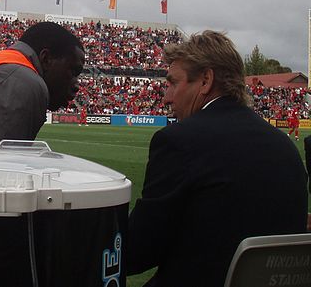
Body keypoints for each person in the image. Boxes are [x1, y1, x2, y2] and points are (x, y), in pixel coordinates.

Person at [127, 31, 308, 287]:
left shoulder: (179, 141)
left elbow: (136, 252)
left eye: (173, 83)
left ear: (205, 81)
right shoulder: (285, 147)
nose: (166, 97)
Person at [0, 21, 84, 145]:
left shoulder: (1, 62)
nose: (77, 85)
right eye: (73, 71)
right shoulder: (26, 83)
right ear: (46, 59)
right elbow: (4, 163)